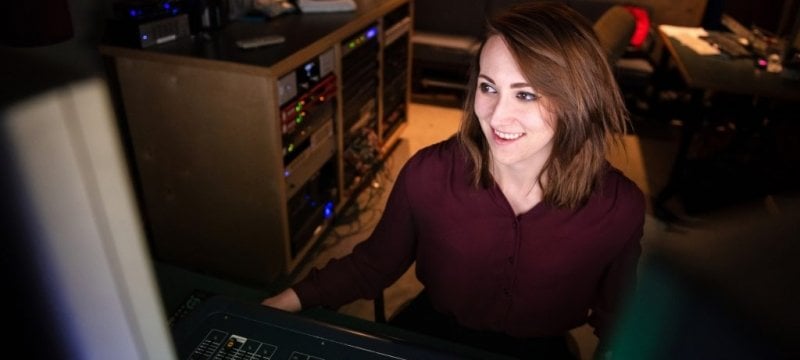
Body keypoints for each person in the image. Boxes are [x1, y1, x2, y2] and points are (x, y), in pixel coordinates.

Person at [262, 2, 645, 359]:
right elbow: (372, 266)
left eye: (525, 95)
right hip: (429, 335)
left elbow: (618, 322)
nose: (496, 116)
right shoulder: (428, 173)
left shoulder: (620, 207)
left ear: (577, 101)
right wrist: (284, 302)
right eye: (488, 87)